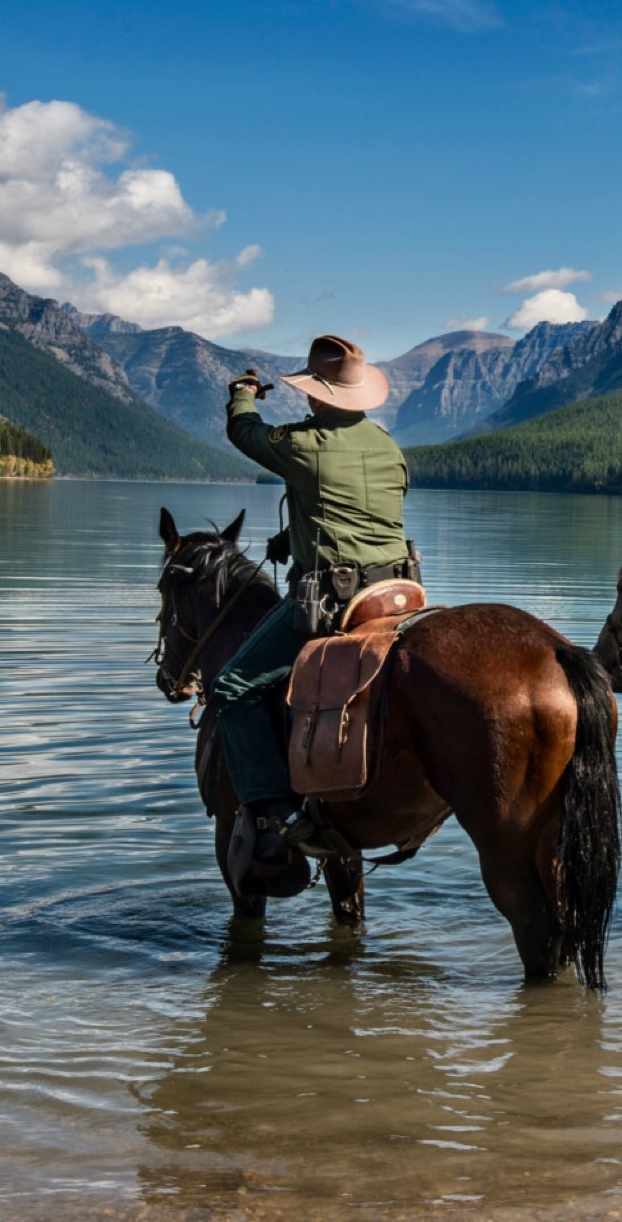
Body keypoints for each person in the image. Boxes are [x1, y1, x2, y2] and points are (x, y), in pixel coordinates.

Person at [209, 334, 414, 893]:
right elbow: (357, 513)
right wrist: (290, 536)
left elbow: (243, 432)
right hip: (399, 593)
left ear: (319, 393)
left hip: (337, 600)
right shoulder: (390, 447)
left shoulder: (307, 444)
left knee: (232, 687)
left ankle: (275, 812)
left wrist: (243, 392)